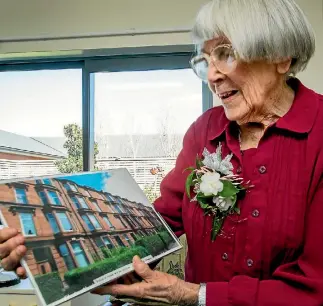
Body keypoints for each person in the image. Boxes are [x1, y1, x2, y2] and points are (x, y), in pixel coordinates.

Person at [1, 0, 323, 305]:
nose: (212, 76)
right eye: (205, 61)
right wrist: (47, 255)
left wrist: (194, 295)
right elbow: (158, 224)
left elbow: (315, 287)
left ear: (281, 56)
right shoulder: (203, 132)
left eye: (226, 54)